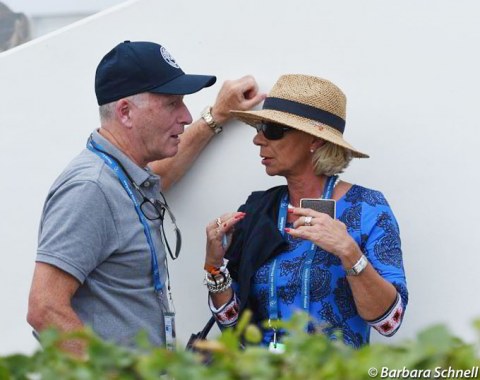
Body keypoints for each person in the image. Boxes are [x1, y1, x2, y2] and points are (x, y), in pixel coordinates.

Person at [27, 40, 264, 354]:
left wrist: (216, 116)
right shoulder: (91, 188)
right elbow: (44, 309)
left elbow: (162, 173)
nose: (186, 115)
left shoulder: (124, 175)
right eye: (171, 104)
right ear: (125, 112)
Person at [204, 74, 408, 349]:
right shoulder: (257, 211)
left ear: (316, 140)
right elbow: (232, 324)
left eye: (273, 130)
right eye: (259, 128)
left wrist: (349, 252)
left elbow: (389, 322)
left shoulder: (367, 208)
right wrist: (214, 267)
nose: (259, 140)